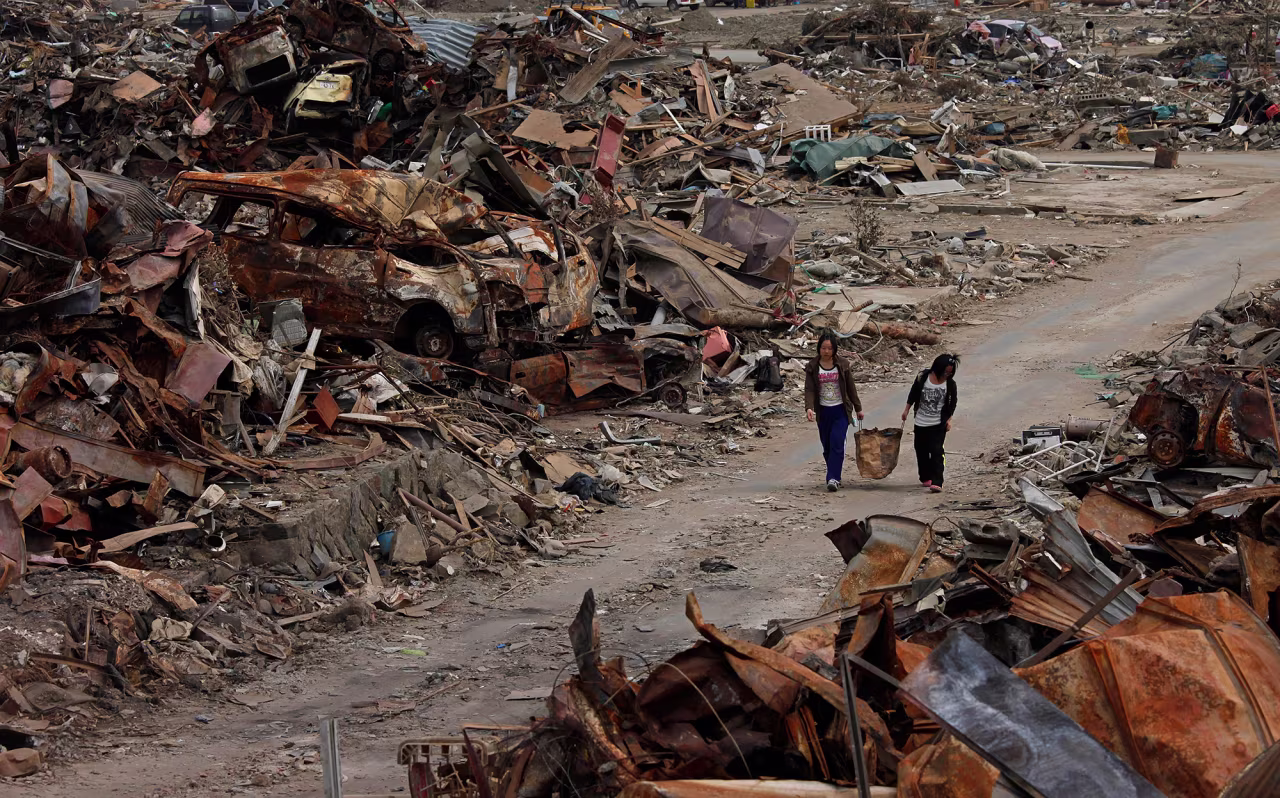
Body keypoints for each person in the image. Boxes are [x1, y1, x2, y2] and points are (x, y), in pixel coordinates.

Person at [805, 332, 864, 492]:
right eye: (823, 348)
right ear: (819, 348)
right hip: (823, 411)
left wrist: (858, 408)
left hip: (840, 411)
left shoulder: (843, 365)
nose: (826, 351)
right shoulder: (812, 366)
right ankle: (833, 471)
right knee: (827, 446)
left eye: (829, 348)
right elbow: (809, 389)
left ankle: (833, 478)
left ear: (834, 349)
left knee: (837, 443)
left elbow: (851, 388)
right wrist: (809, 407)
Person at [901, 354, 958, 493]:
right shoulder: (923, 378)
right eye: (945, 372)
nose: (947, 375)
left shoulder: (950, 384)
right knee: (921, 451)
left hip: (938, 424)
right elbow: (913, 394)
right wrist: (906, 410)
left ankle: (938, 480)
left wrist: (949, 420)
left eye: (950, 372)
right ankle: (925, 476)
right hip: (921, 422)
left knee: (937, 451)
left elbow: (952, 404)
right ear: (937, 368)